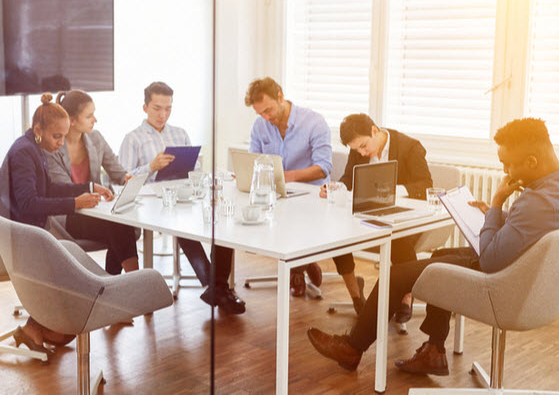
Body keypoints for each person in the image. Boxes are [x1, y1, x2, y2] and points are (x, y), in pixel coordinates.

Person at [307, 117, 559, 375]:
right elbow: (545, 227)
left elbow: (491, 260)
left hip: (505, 281)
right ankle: (434, 351)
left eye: (508, 164)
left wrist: (496, 205)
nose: (507, 171)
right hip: (537, 279)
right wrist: (502, 217)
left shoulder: (535, 203)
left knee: (395, 276)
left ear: (532, 161)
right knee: (440, 255)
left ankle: (352, 349)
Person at [0, 93, 116, 353]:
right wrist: (76, 204)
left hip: (28, 232)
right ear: (38, 129)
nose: (61, 143)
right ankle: (36, 326)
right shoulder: (24, 152)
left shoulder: (34, 147)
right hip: (17, 237)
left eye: (64, 136)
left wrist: (87, 187)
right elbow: (29, 204)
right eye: (57, 137)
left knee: (65, 263)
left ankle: (36, 327)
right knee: (63, 265)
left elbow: (49, 188)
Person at [119, 81, 245, 314]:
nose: (162, 114)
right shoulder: (133, 139)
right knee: (184, 227)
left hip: (185, 198)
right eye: (157, 108)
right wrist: (151, 166)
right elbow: (123, 179)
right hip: (151, 204)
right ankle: (216, 287)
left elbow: (195, 170)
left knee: (221, 226)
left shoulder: (179, 133)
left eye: (168, 108)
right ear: (144, 107)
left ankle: (216, 287)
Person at [320, 113, 433, 316]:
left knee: (397, 240)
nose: (362, 153)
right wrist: (336, 187)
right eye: (357, 150)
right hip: (369, 216)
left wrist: (392, 191)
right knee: (338, 237)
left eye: (364, 146)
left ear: (374, 130)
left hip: (405, 218)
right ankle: (356, 296)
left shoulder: (410, 147)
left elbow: (425, 185)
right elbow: (348, 178)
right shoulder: (359, 151)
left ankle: (406, 298)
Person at [245, 77, 333, 297]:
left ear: (280, 97)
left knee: (293, 218)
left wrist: (288, 177)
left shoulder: (313, 122)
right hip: (276, 194)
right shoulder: (260, 125)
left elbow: (323, 167)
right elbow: (254, 160)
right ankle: (304, 262)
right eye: (260, 114)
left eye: (269, 110)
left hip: (309, 195)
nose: (266, 117)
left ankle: (298, 268)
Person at [45, 89, 140, 275]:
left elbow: (117, 171)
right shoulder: (53, 148)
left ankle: (116, 284)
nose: (94, 120)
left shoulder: (96, 138)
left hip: (97, 212)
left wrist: (126, 178)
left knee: (120, 225)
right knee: (119, 226)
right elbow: (66, 190)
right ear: (71, 121)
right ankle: (132, 279)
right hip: (70, 215)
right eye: (89, 116)